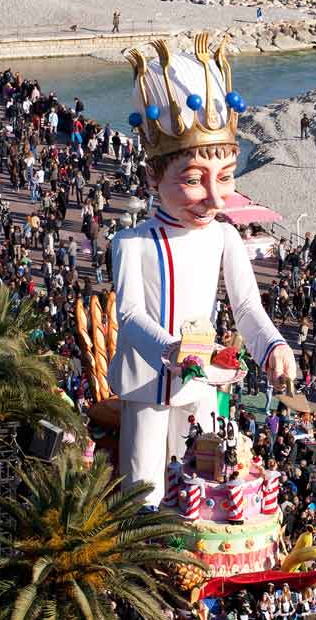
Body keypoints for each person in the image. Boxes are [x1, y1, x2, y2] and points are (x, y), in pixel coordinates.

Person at [107, 37, 296, 501]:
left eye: (225, 177)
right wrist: (171, 349)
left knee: (206, 479)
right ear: (153, 176)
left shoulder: (224, 236)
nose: (214, 198)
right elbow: (129, 316)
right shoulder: (131, 242)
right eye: (194, 179)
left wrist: (273, 346)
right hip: (147, 383)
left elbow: (246, 306)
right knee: (144, 491)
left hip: (204, 383)